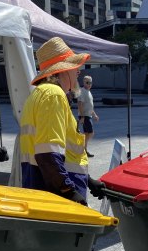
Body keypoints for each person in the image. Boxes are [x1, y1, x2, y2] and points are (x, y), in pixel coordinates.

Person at [19, 37, 105, 206]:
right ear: (63, 71)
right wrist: (70, 193)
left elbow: (59, 153)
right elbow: (48, 155)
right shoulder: (53, 95)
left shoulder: (38, 94)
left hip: (42, 191)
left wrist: (87, 180)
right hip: (57, 201)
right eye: (76, 70)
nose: (77, 74)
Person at [77, 75, 99, 157]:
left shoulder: (88, 92)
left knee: (87, 133)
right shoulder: (82, 91)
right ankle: (82, 147)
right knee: (91, 132)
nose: (89, 84)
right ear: (83, 82)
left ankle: (84, 150)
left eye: (90, 82)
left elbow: (90, 106)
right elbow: (80, 104)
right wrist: (82, 117)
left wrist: (95, 115)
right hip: (85, 116)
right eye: (87, 82)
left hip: (88, 115)